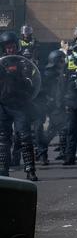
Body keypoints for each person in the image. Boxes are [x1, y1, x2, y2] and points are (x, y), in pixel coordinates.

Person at [0, 31, 39, 180]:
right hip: (4, 105)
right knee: (3, 139)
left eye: (12, 47)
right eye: (7, 47)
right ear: (4, 48)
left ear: (17, 46)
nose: (10, 49)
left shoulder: (25, 63)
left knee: (25, 137)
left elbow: (31, 84)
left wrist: (15, 76)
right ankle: (3, 169)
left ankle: (30, 169)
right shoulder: (1, 63)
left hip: (21, 105)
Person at [35, 50, 66, 165]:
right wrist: (48, 98)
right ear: (55, 61)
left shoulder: (63, 73)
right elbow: (39, 88)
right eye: (61, 60)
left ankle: (41, 150)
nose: (63, 62)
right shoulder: (45, 73)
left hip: (56, 106)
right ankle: (42, 153)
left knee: (57, 128)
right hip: (43, 104)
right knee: (38, 129)